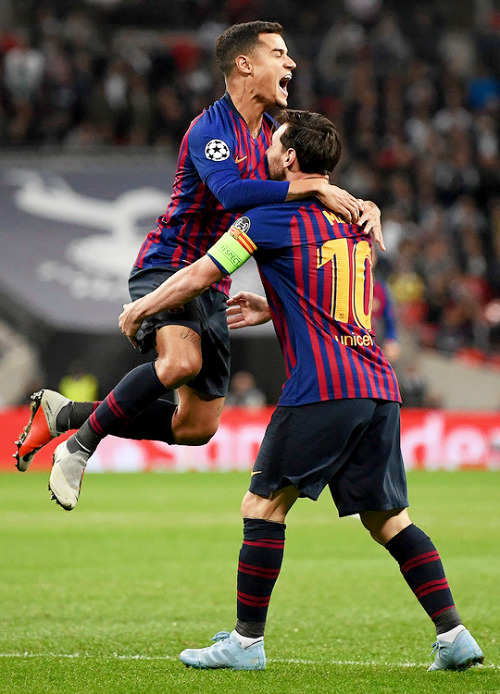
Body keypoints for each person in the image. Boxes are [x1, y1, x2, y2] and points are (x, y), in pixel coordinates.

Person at [118, 109, 483, 672]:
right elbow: (331, 283)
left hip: (324, 386)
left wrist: (144, 305)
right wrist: (278, 304)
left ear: (289, 159)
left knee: (262, 506)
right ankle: (455, 634)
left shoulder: (264, 218)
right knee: (388, 520)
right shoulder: (353, 216)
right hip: (376, 384)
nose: (266, 147)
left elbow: (205, 274)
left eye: (275, 142)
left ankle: (244, 643)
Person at [14, 21, 379, 507]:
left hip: (215, 281)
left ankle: (64, 416)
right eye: (279, 53)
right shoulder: (212, 129)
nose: (290, 62)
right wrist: (307, 187)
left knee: (196, 427)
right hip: (170, 264)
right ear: (245, 65)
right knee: (180, 362)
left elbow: (308, 167)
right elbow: (232, 193)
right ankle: (80, 448)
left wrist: (359, 204)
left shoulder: (274, 133)